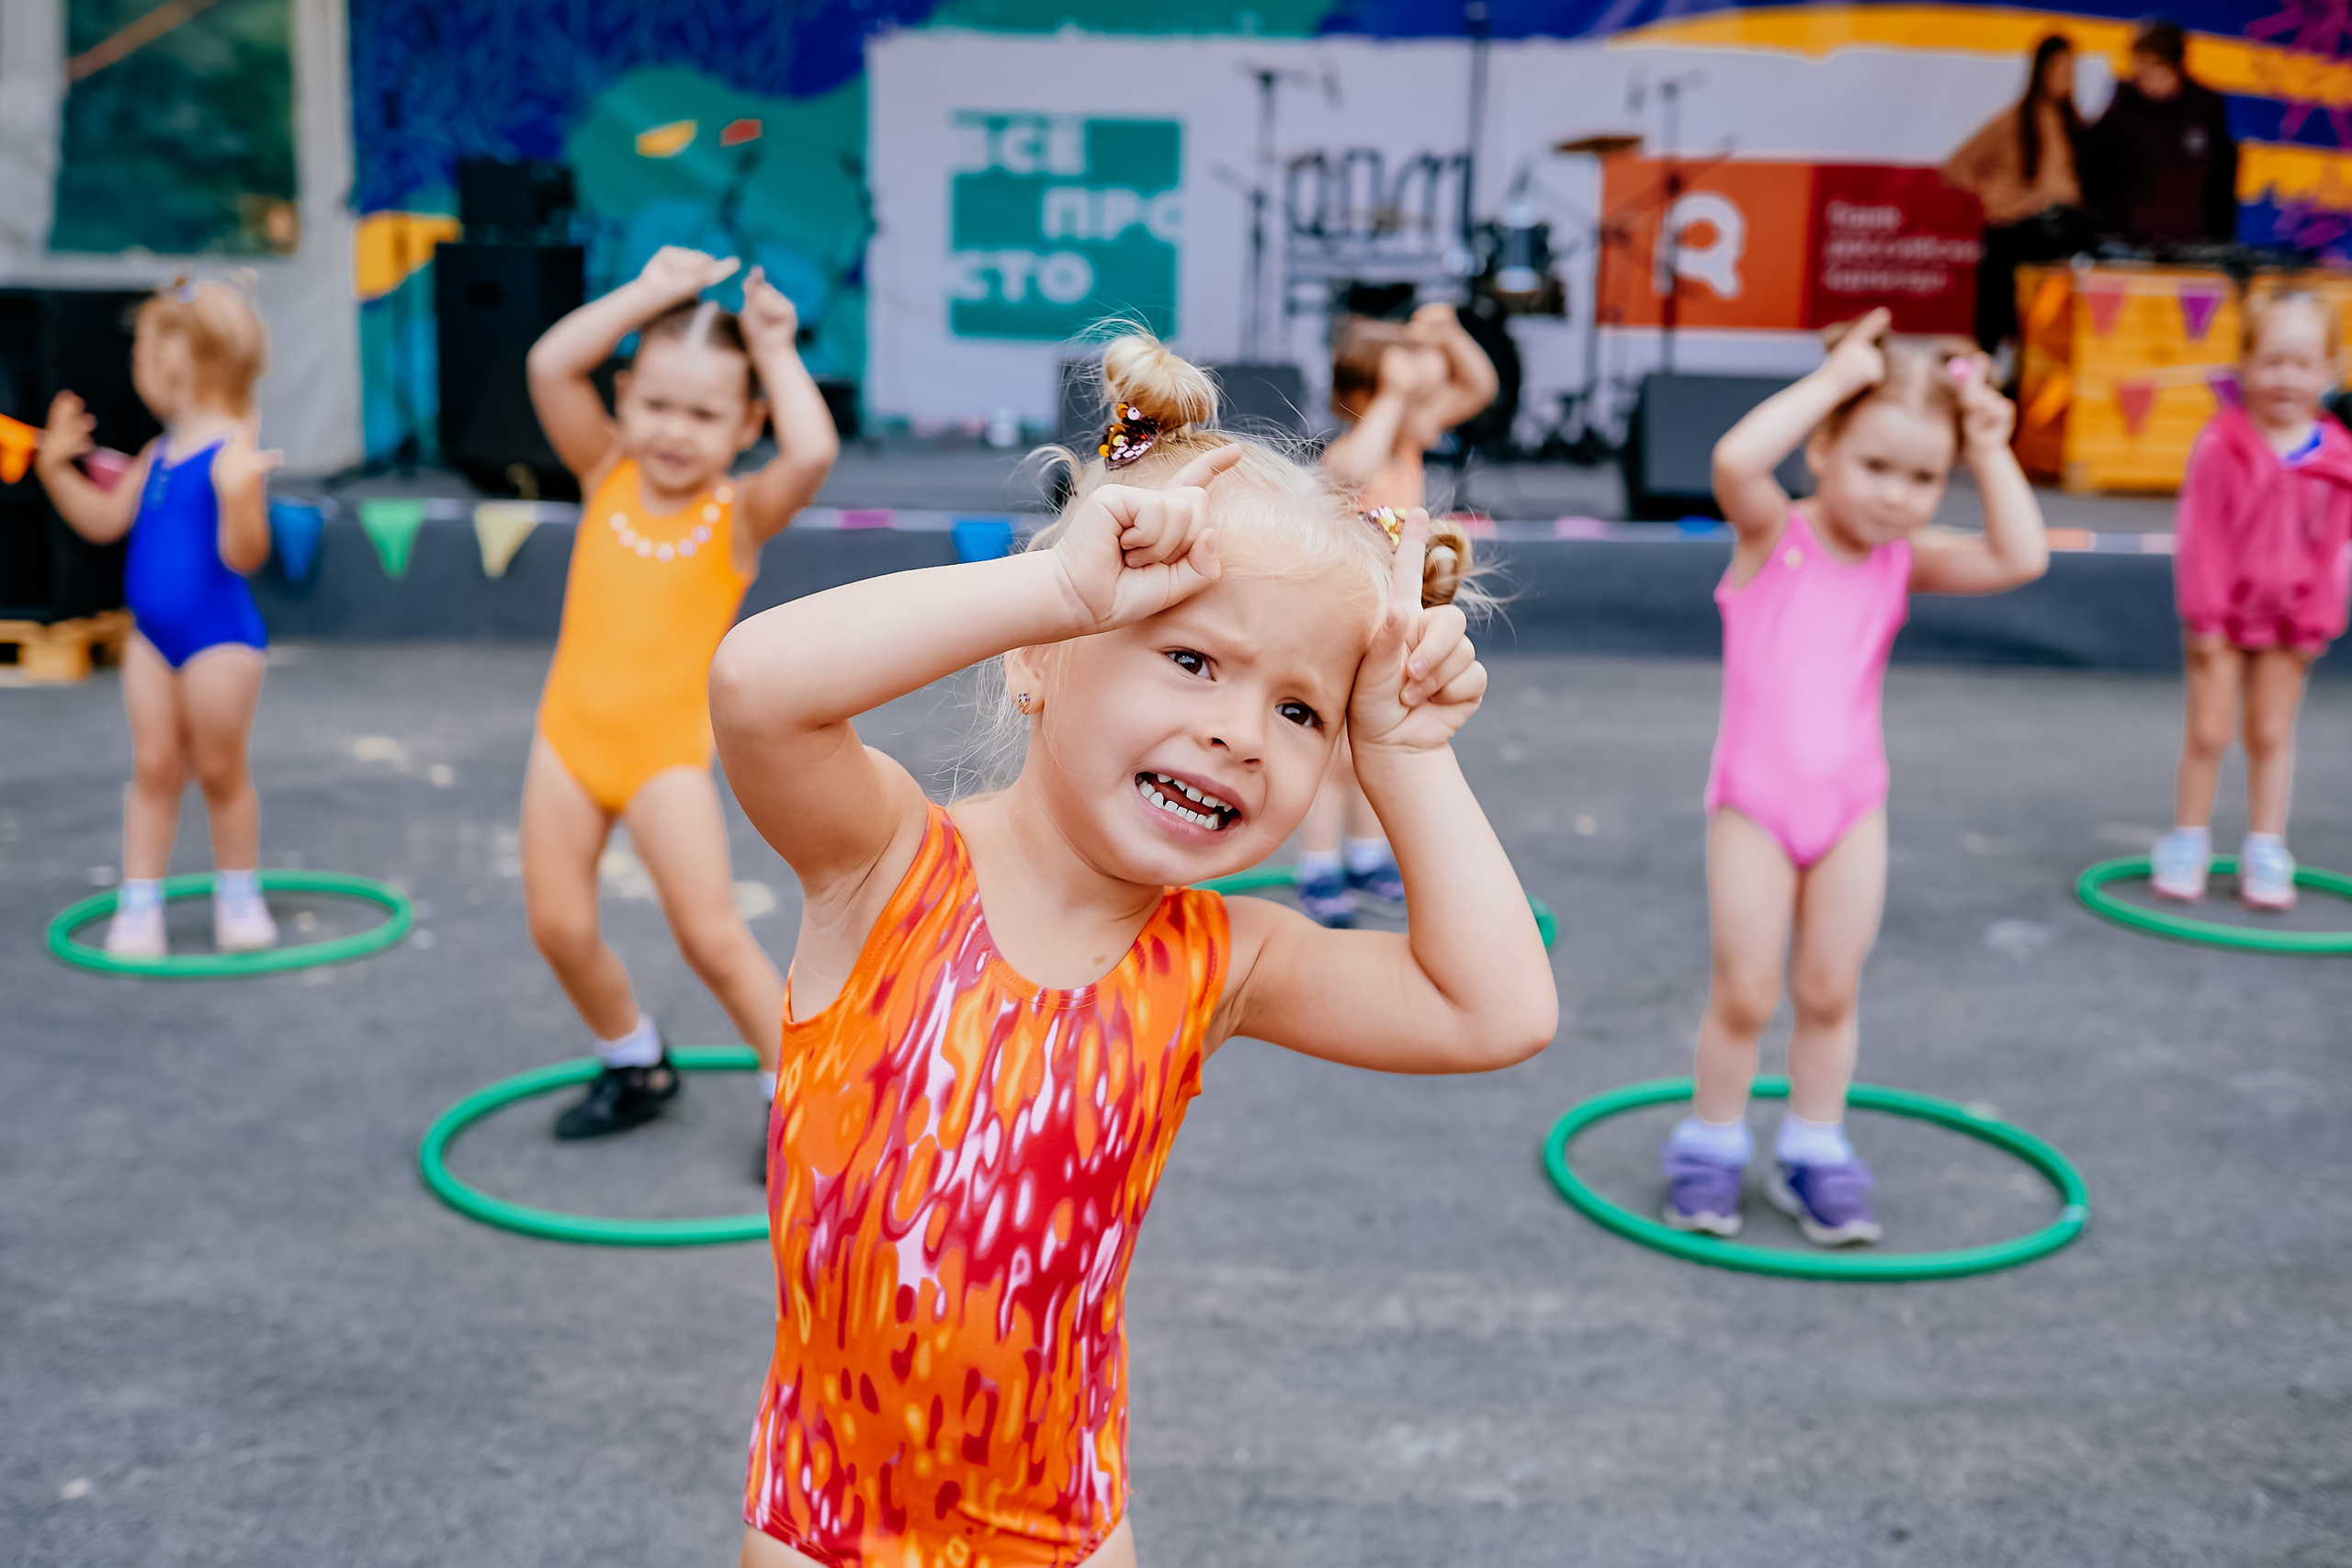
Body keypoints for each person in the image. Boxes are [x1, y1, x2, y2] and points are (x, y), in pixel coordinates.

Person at [709, 333, 1555, 1567]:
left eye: (1301, 708)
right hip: (823, 1527)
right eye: (1191, 655)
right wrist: (1055, 587)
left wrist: (1409, 758)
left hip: (1064, 1531)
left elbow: (1495, 1011)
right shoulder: (886, 864)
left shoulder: (1223, 955)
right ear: (1042, 664)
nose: (1238, 733)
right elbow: (755, 685)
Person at [1661, 307, 2048, 1247]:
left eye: (1922, 478)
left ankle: (1814, 1148)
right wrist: (1836, 379)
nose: (1895, 496)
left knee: (1831, 988)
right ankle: (1709, 1143)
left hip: (1850, 812)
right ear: (1825, 449)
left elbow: (2020, 556)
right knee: (1747, 990)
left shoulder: (1899, 562)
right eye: (1876, 466)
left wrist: (1990, 447)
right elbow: (1733, 463)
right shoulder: (1771, 535)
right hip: (1753, 809)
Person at [522, 246, 837, 1147]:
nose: (673, 431)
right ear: (623, 398)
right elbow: (549, 363)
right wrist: (648, 295)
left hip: (664, 758)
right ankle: (633, 1058)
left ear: (747, 426)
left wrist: (774, 346)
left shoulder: (736, 516)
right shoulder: (603, 470)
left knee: (710, 935)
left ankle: (799, 1095)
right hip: (565, 744)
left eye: (704, 414)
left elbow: (812, 451)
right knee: (557, 926)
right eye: (655, 403)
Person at [33, 279, 280, 958]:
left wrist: (239, 498)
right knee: (153, 768)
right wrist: (56, 472)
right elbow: (107, 521)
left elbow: (244, 555)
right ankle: (140, 903)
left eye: (143, 349)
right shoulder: (158, 453)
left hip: (219, 643)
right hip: (151, 641)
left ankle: (239, 893)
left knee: (222, 770)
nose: (137, 366)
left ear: (180, 358)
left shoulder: (233, 448)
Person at [2151, 292, 2352, 911]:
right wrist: (2205, 619)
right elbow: (2201, 536)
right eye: (2270, 362)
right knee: (2209, 730)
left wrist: (2318, 619)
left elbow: (2335, 550)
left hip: (2291, 622)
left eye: (2301, 362)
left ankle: (2266, 844)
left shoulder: (2338, 456)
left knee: (2270, 731)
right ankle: (2189, 836)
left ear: (2330, 369)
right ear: (2243, 366)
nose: (2285, 378)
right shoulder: (2222, 444)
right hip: (2221, 617)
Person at [1296, 301, 1495, 926]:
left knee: (1373, 747)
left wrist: (1450, 335)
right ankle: (1319, 865)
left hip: (1390, 622)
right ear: (1370, 393)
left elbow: (1480, 386)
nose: (1426, 401)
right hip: (1340, 622)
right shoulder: (1349, 455)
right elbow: (1352, 470)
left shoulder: (1405, 439)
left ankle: (1363, 853)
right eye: (1407, 390)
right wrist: (1394, 394)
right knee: (1332, 756)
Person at [1942, 34, 2092, 356]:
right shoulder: (2014, 120)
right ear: (2040, 71)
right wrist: (1996, 196)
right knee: (2000, 318)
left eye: (2070, 70)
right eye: (2057, 69)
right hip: (2016, 231)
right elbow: (1955, 166)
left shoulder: (2074, 124)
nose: (2064, 78)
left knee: (2049, 324)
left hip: (2061, 237)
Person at [2081, 17, 2240, 247]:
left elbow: (2222, 179)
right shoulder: (2118, 106)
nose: (2146, 76)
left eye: (2155, 66)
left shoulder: (2205, 106)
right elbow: (2094, 174)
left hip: (2193, 246)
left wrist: (2220, 241)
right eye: (2139, 65)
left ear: (2175, 66)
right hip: (2127, 246)